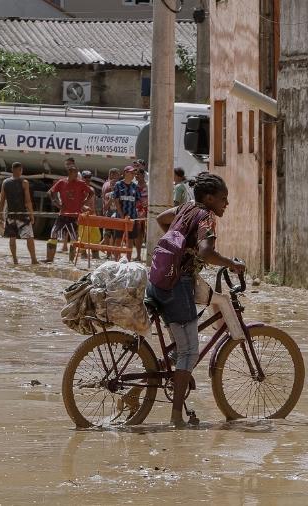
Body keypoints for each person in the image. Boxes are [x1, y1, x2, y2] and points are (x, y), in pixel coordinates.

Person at [146, 172, 245, 427]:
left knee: (181, 345)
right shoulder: (207, 217)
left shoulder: (186, 208)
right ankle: (176, 417)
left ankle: (156, 378)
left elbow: (161, 219)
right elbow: (207, 251)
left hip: (158, 279)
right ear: (210, 198)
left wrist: (180, 247)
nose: (226, 204)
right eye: (223, 199)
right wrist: (232, 264)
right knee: (190, 351)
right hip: (176, 286)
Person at [0, 162, 37, 265]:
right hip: (22, 215)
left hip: (10, 215)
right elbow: (28, 201)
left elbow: (2, 200)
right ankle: (33, 259)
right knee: (29, 237)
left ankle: (15, 260)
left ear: (12, 170)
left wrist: (0, 216)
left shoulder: (5, 182)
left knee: (12, 237)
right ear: (20, 170)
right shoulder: (24, 182)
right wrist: (31, 215)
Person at [47, 161, 91, 261]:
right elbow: (50, 192)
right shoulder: (62, 182)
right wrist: (57, 203)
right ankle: (49, 259)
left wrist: (83, 202)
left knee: (73, 238)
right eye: (75, 173)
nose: (77, 175)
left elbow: (91, 192)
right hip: (62, 214)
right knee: (53, 233)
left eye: (77, 173)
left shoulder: (81, 183)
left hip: (74, 216)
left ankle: (71, 260)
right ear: (70, 173)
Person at [111, 166, 143, 261]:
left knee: (130, 240)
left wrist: (139, 211)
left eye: (134, 173)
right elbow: (116, 201)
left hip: (132, 217)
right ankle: (117, 259)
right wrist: (121, 215)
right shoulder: (118, 185)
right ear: (125, 173)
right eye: (131, 173)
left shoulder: (135, 186)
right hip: (120, 217)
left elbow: (138, 201)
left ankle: (128, 260)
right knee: (118, 239)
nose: (133, 175)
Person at [77, 170, 101, 260]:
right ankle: (83, 255)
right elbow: (78, 203)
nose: (87, 179)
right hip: (83, 215)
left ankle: (95, 255)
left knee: (96, 236)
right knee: (83, 236)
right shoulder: (79, 189)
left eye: (89, 177)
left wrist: (95, 213)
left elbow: (93, 204)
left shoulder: (92, 189)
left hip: (93, 215)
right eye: (85, 177)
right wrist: (84, 208)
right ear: (82, 178)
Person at [99, 167, 121, 258]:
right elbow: (105, 206)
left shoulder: (120, 194)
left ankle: (112, 253)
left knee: (114, 235)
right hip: (109, 214)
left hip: (116, 215)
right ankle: (108, 253)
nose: (113, 185)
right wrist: (111, 200)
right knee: (107, 234)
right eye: (112, 184)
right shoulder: (108, 192)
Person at [134, 168, 148, 262]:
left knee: (147, 234)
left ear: (143, 175)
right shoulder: (133, 186)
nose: (136, 176)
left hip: (147, 214)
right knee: (138, 234)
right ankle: (138, 255)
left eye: (138, 174)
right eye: (136, 174)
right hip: (136, 213)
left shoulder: (148, 186)